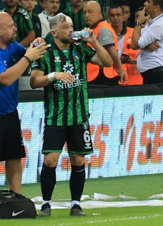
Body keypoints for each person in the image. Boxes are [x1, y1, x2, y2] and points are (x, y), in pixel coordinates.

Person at [29, 13, 112, 217]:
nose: (71, 30)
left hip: (79, 117)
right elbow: (34, 81)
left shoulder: (81, 49)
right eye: (66, 27)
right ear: (54, 31)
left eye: (72, 26)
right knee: (50, 160)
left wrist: (94, 41)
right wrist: (53, 75)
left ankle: (76, 204)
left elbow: (108, 62)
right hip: (55, 117)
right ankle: (46, 204)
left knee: (78, 160)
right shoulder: (45, 52)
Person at [0, 12, 47, 197]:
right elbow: (5, 78)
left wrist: (36, 46)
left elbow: (29, 53)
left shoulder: (11, 46)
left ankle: (17, 197)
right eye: (11, 26)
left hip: (8, 110)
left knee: (14, 155)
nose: (16, 28)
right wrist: (29, 57)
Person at [131, 0, 163, 84]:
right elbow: (140, 40)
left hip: (160, 76)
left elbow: (135, 44)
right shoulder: (154, 22)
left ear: (156, 7)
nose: (144, 4)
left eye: (148, 1)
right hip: (155, 75)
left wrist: (138, 23)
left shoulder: (159, 24)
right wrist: (146, 45)